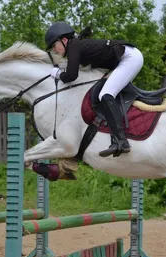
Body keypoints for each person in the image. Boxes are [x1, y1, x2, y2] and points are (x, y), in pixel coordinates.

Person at [45, 22, 144, 158]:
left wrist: (57, 74)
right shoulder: (75, 46)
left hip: (129, 59)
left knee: (105, 94)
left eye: (54, 45)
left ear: (64, 40)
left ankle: (121, 141)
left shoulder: (73, 46)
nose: (54, 50)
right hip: (126, 58)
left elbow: (72, 76)